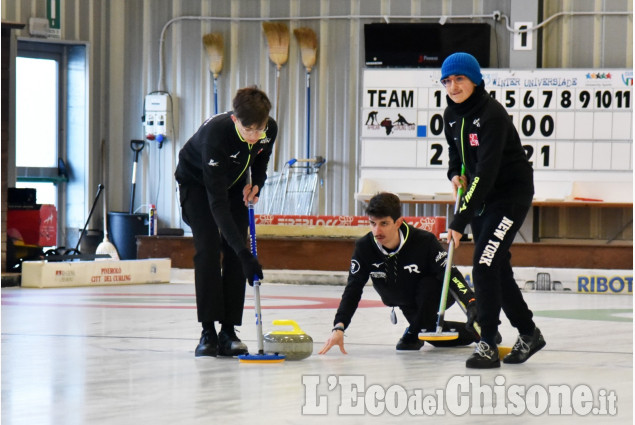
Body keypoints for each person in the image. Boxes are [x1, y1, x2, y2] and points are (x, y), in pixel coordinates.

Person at [441, 52, 545, 369]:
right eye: (447, 80)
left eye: (459, 79)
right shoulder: (450, 115)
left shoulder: (492, 116)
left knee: (483, 264)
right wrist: (453, 172)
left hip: (509, 196)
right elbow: (456, 153)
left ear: (475, 80)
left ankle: (487, 342)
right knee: (496, 267)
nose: (453, 86)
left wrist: (458, 221)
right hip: (482, 198)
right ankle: (529, 333)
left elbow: (486, 173)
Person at [175, 86, 277, 358]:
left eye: (260, 129)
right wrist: (245, 254)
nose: (255, 136)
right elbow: (216, 204)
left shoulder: (269, 130)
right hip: (198, 185)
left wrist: (257, 185)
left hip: (235, 184)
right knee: (208, 248)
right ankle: (207, 331)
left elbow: (261, 160)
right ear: (235, 120)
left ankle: (228, 331)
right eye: (249, 130)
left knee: (235, 252)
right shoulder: (215, 137)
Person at [319, 192, 482, 355]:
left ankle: (413, 332)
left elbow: (451, 274)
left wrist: (471, 303)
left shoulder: (424, 241)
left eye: (384, 223)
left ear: (398, 223)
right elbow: (353, 289)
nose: (377, 231)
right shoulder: (364, 248)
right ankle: (482, 331)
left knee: (427, 290)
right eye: (373, 223)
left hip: (435, 295)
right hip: (404, 300)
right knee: (429, 332)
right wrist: (339, 326)